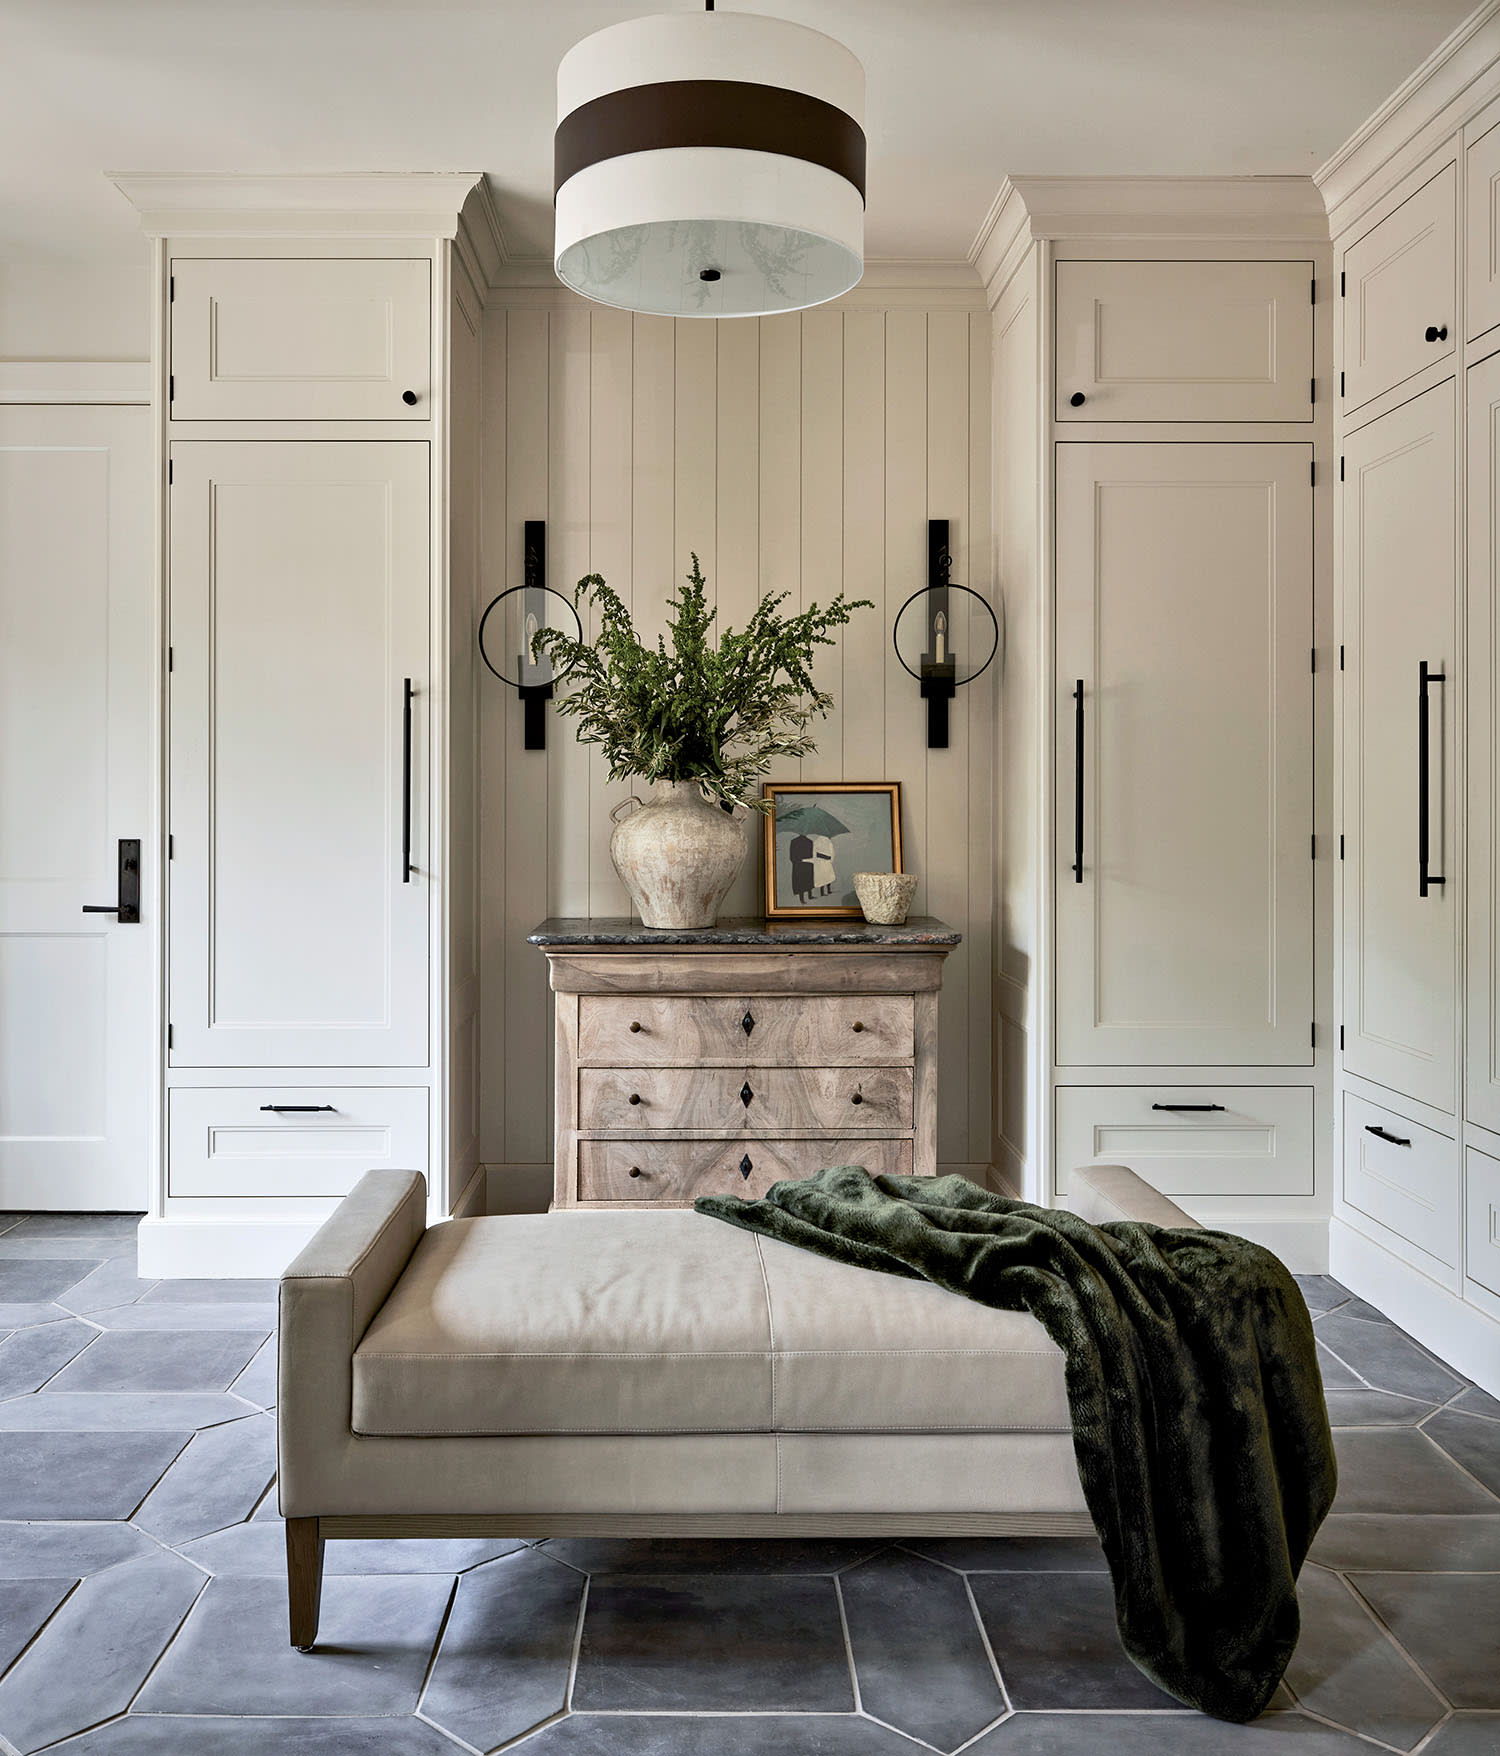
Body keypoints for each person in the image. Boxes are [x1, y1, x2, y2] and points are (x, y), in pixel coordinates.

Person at [789, 832, 815, 904]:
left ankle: (802, 899)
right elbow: (811, 855)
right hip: (808, 864)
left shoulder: (794, 841)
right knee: (808, 880)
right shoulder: (810, 841)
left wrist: (796, 862)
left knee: (800, 882)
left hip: (798, 865)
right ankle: (810, 895)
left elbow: (791, 857)